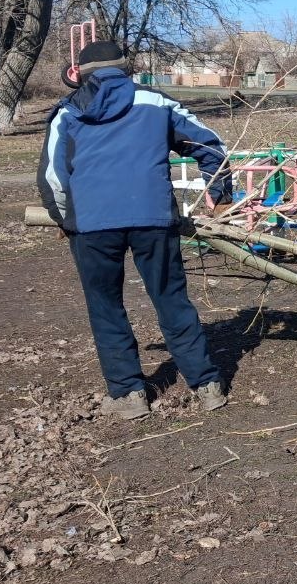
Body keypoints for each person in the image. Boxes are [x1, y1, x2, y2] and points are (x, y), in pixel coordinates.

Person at [37, 40, 234, 420]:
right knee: (171, 298)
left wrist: (65, 218)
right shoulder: (156, 103)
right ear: (124, 68)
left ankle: (129, 395)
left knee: (106, 306)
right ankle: (207, 385)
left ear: (83, 73)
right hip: (152, 218)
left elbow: (52, 178)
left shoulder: (68, 111)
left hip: (92, 227)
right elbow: (210, 145)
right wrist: (219, 193)